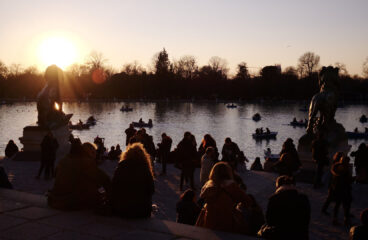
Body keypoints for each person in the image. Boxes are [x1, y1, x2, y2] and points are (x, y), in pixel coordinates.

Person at [48, 141, 111, 210]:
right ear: (89, 153)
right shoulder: (86, 162)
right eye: (94, 153)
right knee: (95, 188)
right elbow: (104, 179)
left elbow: (55, 173)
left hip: (54, 198)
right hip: (67, 201)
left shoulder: (64, 159)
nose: (95, 156)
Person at [196, 162, 252, 234]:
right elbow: (248, 201)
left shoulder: (208, 186)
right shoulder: (231, 186)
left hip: (208, 220)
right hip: (226, 221)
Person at [110, 143, 154, 218]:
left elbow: (114, 186)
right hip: (142, 211)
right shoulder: (145, 169)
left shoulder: (121, 166)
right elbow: (151, 190)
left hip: (122, 209)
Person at [259, 175, 310, 240]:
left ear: (278, 186)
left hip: (280, 235)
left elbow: (269, 221)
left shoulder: (274, 198)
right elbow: (306, 219)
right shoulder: (304, 198)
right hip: (301, 236)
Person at [322, 156, 353, 226]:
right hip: (343, 189)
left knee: (338, 204)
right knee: (345, 205)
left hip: (337, 189)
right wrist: (353, 179)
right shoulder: (344, 169)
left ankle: (336, 219)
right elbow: (346, 180)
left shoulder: (337, 168)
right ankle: (345, 219)